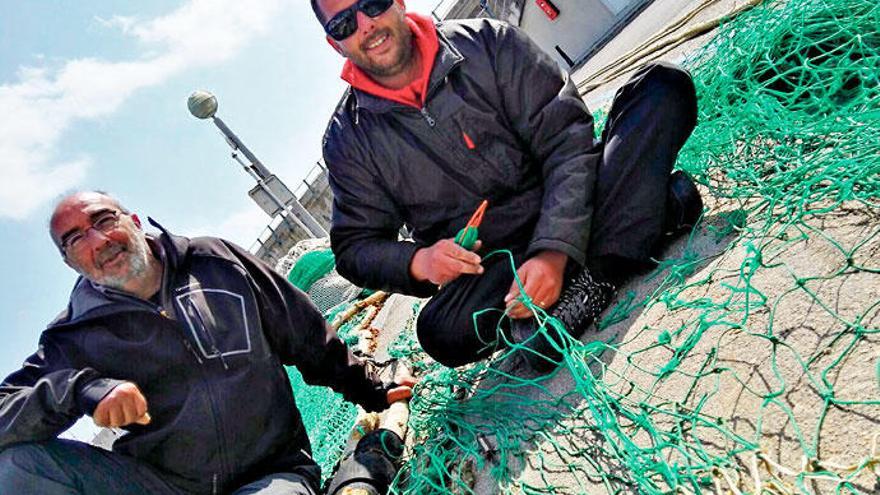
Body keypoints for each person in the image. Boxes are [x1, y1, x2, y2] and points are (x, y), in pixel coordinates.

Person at [313, 0, 701, 371]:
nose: (366, 25)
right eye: (344, 24)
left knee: (661, 88)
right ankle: (654, 213)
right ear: (335, 44)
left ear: (396, 0)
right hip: (498, 267)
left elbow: (566, 139)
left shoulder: (489, 41)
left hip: (573, 201)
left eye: (373, 3)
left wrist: (552, 253)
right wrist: (421, 262)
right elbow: (354, 248)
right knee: (440, 332)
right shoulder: (347, 141)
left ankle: (586, 285)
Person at [0, 191, 414, 495]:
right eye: (74, 239)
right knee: (14, 468)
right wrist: (78, 390)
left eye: (104, 220)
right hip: (160, 484)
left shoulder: (218, 263)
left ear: (134, 220)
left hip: (271, 473)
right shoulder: (73, 335)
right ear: (70, 262)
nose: (97, 241)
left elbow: (306, 336)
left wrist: (374, 387)